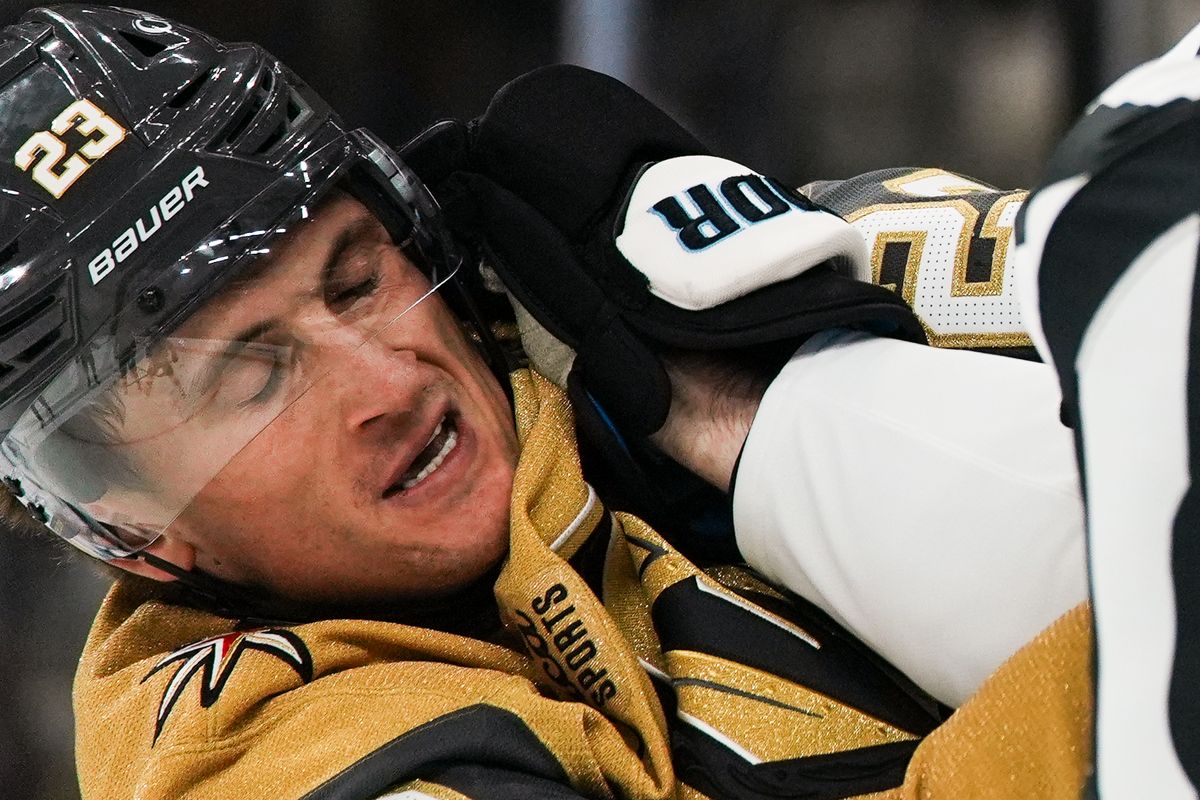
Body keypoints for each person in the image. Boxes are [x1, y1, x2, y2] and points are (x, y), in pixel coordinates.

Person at [0, 5, 1122, 800]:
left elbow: (1141, 260)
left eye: (359, 279)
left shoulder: (607, 299)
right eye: (253, 375)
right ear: (135, 526)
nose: (390, 382)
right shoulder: (248, 755)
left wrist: (777, 371)